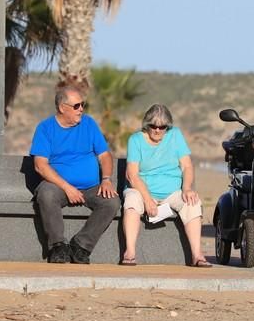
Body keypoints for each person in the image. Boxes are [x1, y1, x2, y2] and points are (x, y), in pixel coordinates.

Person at [30, 85, 120, 264]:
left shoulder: (89, 124)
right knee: (46, 194)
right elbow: (40, 165)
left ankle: (81, 246)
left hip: (91, 186)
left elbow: (105, 155)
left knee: (112, 201)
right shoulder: (45, 128)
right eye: (77, 106)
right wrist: (67, 187)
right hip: (58, 186)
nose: (81, 110)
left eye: (83, 105)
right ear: (62, 108)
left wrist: (107, 179)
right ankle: (57, 247)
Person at [121, 104, 211, 267]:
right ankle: (130, 252)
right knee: (132, 202)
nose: (157, 130)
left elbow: (187, 166)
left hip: (172, 192)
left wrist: (187, 188)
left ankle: (197, 255)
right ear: (146, 125)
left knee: (192, 202)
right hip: (142, 190)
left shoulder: (175, 135)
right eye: (153, 126)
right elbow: (132, 175)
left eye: (162, 127)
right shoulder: (135, 140)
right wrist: (148, 200)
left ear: (167, 127)